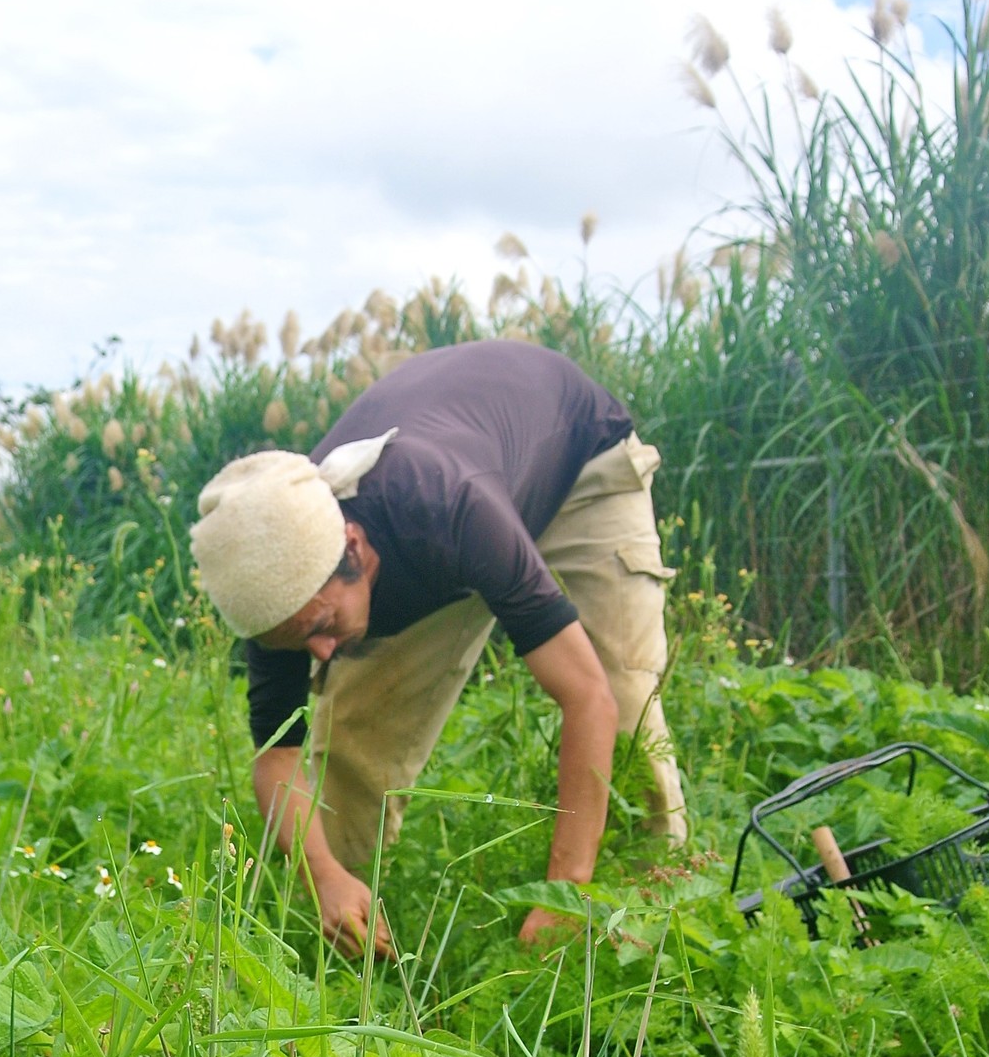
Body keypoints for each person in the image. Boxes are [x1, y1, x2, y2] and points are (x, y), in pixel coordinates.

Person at [189, 338, 685, 957]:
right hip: (453, 516)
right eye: (294, 640)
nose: (318, 653)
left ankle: (649, 916)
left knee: (626, 700)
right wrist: (323, 879)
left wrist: (566, 891)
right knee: (354, 730)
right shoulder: (273, 573)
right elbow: (278, 759)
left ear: (354, 547)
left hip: (578, 467)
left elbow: (588, 697)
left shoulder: (444, 503)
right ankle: (340, 944)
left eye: (320, 625)